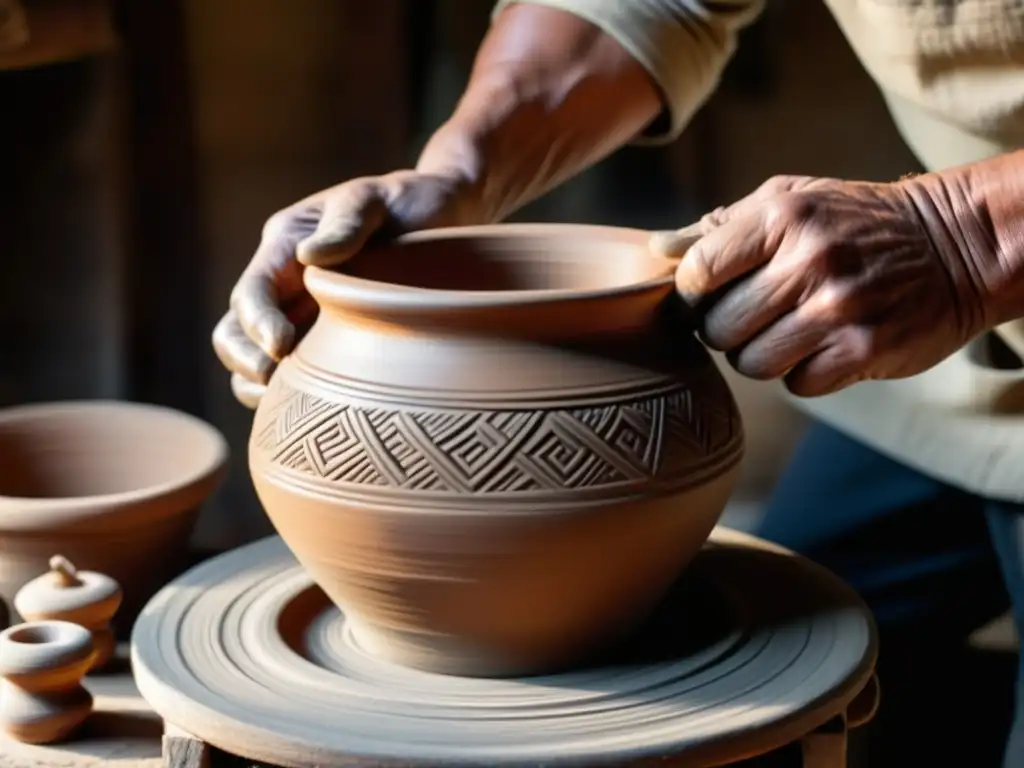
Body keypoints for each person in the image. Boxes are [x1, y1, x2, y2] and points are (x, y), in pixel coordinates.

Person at [213, 2, 1024, 764]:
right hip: (967, 355)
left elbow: (973, 237)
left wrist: (971, 236)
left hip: (982, 255)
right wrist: (462, 172)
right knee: (783, 654)